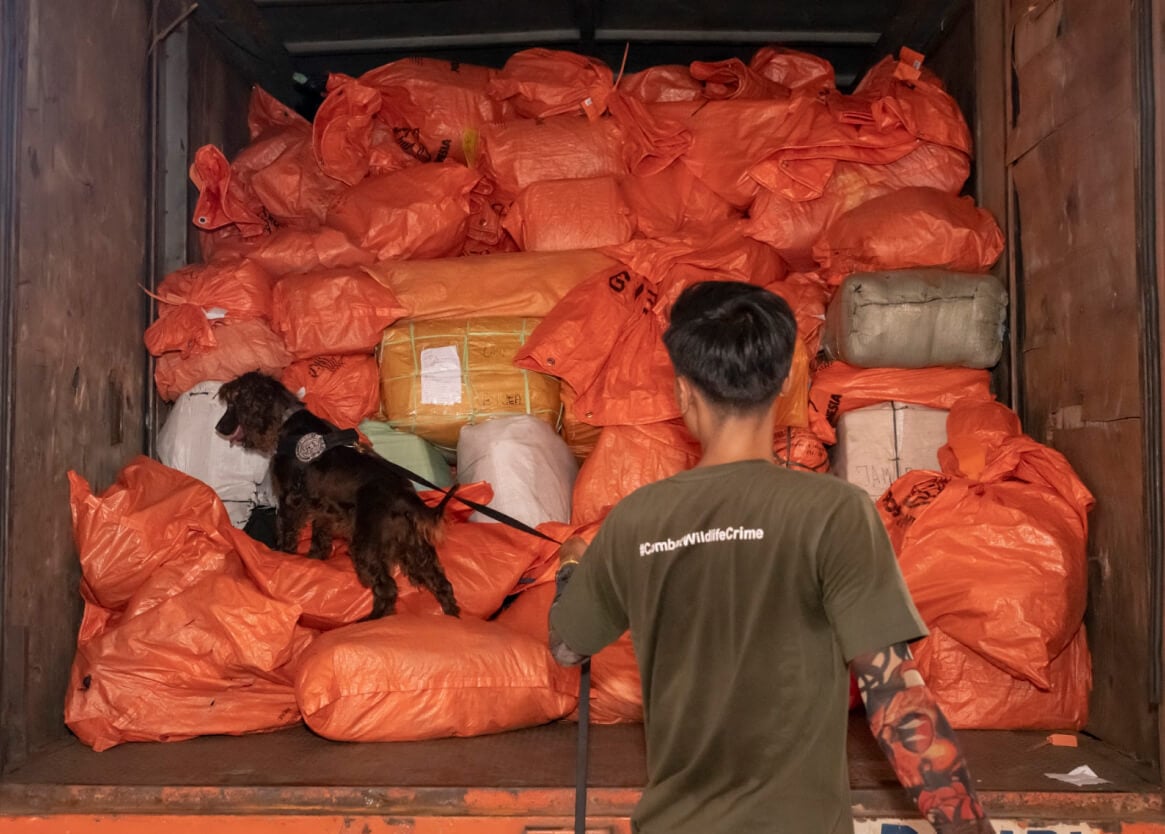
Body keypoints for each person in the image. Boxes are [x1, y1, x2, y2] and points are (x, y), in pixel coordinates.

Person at [548, 280, 994, 834]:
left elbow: (569, 646)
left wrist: (572, 567)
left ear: (683, 391)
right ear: (785, 383)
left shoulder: (636, 520)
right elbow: (894, 698)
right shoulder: (834, 513)